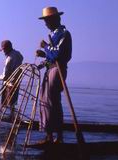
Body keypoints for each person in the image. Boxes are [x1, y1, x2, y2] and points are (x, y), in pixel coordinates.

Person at [36, 7, 72, 144]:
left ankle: (58, 137)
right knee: (45, 101)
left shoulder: (64, 34)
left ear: (55, 19)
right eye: (45, 21)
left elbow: (58, 54)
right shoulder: (53, 35)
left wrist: (45, 46)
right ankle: (49, 136)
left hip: (58, 70)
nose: (46, 24)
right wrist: (43, 57)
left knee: (52, 101)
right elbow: (52, 56)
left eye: (47, 20)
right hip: (51, 68)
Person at [0, 40, 23, 121]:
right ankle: (12, 115)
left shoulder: (9, 58)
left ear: (8, 48)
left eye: (4, 50)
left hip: (10, 82)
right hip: (17, 80)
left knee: (9, 100)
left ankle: (10, 117)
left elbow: (5, 76)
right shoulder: (18, 54)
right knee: (13, 100)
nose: (3, 52)